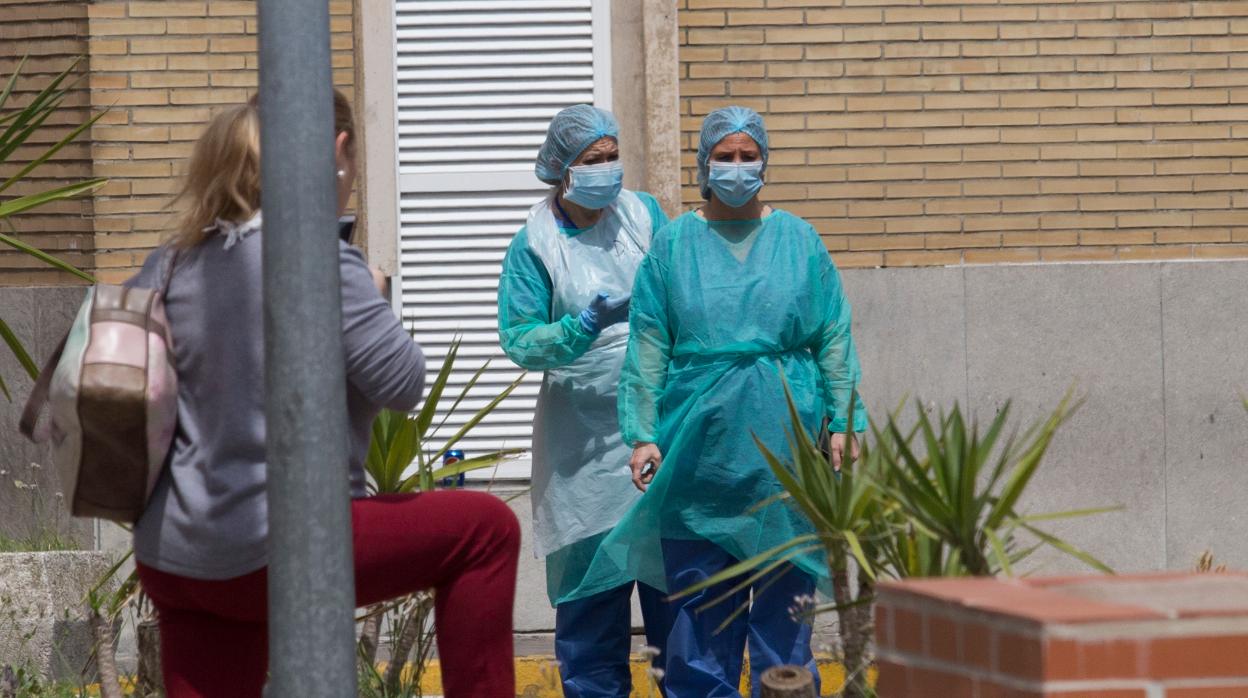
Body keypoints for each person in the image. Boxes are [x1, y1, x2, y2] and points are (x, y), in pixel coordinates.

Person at [127, 91, 520, 698]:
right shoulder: (323, 263)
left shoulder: (168, 265)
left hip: (177, 552)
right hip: (281, 545)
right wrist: (370, 289)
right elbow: (403, 386)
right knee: (487, 530)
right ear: (338, 153)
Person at [600, 105, 868, 696]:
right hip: (702, 461)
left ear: (765, 162)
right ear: (704, 164)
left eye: (749, 157)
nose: (738, 168)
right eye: (726, 157)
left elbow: (833, 337)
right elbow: (648, 343)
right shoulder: (673, 247)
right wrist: (643, 432)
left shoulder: (799, 240)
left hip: (789, 460)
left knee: (786, 627)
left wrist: (844, 421)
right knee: (700, 625)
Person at [496, 104, 670, 696]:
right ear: (562, 170)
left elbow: (684, 292)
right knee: (591, 616)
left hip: (656, 428)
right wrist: (579, 328)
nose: (608, 169)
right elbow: (519, 339)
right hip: (582, 450)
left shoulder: (644, 217)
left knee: (680, 613)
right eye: (593, 161)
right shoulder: (534, 245)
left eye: (613, 155)